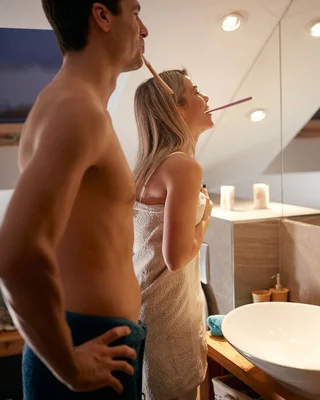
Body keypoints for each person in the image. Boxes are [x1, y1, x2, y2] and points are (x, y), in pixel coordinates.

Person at [0, 1, 149, 398]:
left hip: (96, 341)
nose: (144, 30)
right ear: (102, 15)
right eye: (135, 12)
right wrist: (71, 368)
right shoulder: (77, 110)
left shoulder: (74, 104)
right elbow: (13, 254)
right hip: (89, 348)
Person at [132, 69, 215, 400]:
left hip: (146, 302)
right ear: (177, 108)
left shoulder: (146, 166)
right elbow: (177, 257)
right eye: (197, 92)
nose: (206, 99)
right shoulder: (183, 166)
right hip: (168, 314)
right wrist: (206, 216)